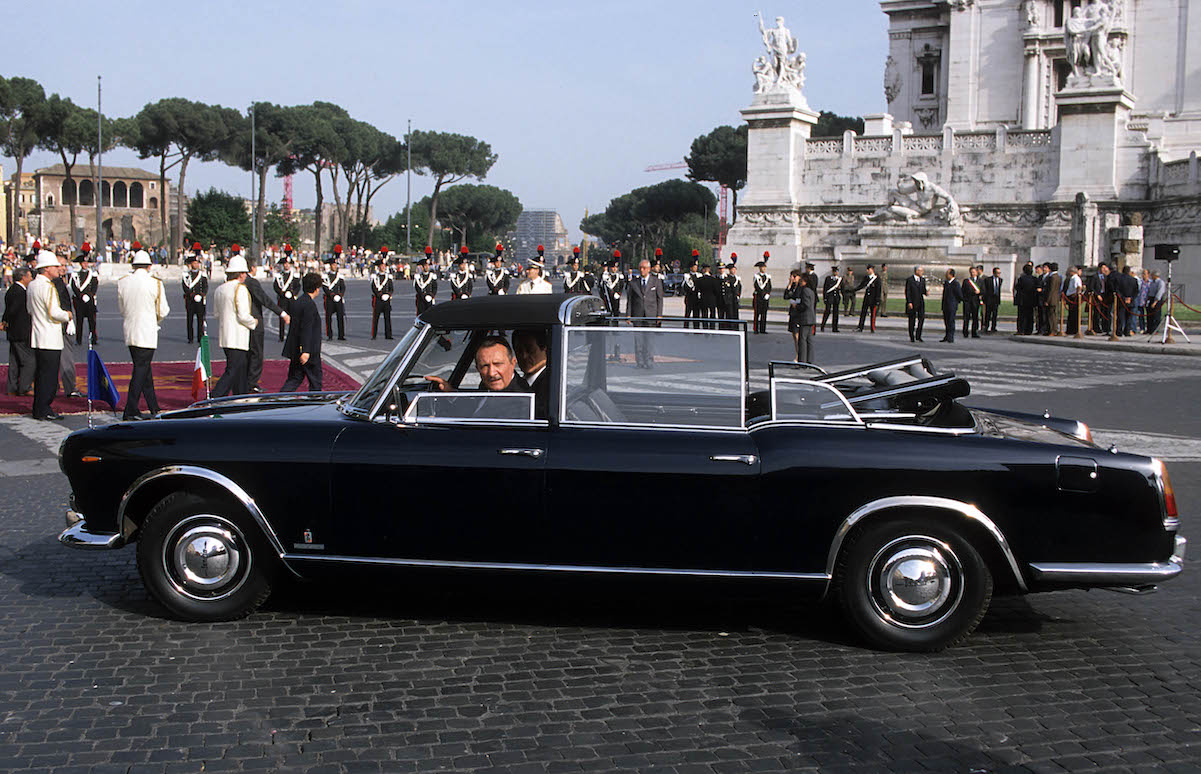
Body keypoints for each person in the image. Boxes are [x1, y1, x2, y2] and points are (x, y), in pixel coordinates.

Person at [117, 248, 168, 420]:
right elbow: (162, 310)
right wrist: (155, 321)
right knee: (140, 369)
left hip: (130, 329)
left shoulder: (123, 282)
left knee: (144, 368)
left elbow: (122, 308)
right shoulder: (155, 283)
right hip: (147, 330)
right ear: (149, 266)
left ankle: (153, 406)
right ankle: (130, 409)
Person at [27, 251, 73, 420]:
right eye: (55, 266)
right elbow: (54, 312)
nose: (58, 268)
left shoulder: (32, 285)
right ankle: (44, 409)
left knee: (40, 375)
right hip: (50, 337)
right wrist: (67, 315)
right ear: (46, 269)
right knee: (50, 377)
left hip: (38, 335)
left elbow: (30, 310)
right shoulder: (48, 287)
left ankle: (38, 408)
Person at [241, 253, 290, 393]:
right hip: (255, 321)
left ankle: (246, 381)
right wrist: (282, 313)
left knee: (247, 352)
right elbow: (265, 300)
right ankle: (252, 383)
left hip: (243, 322)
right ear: (251, 267)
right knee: (256, 353)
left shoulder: (240, 281)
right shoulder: (252, 282)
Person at [211, 254, 257, 397]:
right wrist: (253, 322)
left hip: (225, 336)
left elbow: (217, 314)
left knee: (240, 368)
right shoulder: (240, 289)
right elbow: (243, 315)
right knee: (233, 369)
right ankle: (216, 395)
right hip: (238, 336)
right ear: (241, 274)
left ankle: (241, 396)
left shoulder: (220, 289)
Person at [426, 336, 529, 393]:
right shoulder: (488, 385)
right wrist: (451, 394)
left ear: (513, 363)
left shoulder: (521, 397)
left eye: (498, 364)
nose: (491, 373)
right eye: (485, 366)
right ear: (477, 368)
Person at [280, 272, 324, 392]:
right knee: (315, 381)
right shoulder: (309, 305)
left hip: (295, 348)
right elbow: (307, 328)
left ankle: (279, 400)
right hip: (308, 351)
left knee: (294, 379)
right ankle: (314, 405)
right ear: (316, 289)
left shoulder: (298, 301)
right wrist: (305, 350)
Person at [2, 266, 34, 396]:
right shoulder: (20, 292)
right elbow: (13, 310)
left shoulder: (12, 290)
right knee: (29, 360)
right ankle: (24, 387)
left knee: (14, 361)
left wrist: (5, 321)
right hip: (21, 331)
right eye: (30, 276)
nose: (31, 278)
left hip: (13, 331)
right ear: (23, 277)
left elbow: (8, 310)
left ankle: (12, 387)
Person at [626, 258, 664, 368]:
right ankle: (640, 361)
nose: (642, 270)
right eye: (640, 268)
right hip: (637, 316)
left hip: (651, 315)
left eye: (644, 268)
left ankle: (649, 361)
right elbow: (630, 300)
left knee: (649, 340)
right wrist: (628, 315)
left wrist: (659, 315)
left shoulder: (656, 281)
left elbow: (659, 299)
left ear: (649, 269)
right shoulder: (633, 283)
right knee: (638, 341)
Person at [53, 255, 80, 397]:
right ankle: (70, 388)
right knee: (66, 358)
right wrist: (68, 318)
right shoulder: (57, 282)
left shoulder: (60, 281)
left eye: (64, 265)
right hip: (62, 323)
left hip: (62, 322)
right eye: (59, 265)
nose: (63, 268)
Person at [512, 328, 549, 419]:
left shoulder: (549, 385)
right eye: (519, 351)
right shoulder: (519, 381)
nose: (524, 356)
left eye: (530, 350)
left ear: (544, 349)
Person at [70, 243, 99, 345]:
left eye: (87, 263)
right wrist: (81, 295)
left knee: (92, 321)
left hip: (90, 299)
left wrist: (90, 294)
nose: (85, 265)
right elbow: (74, 286)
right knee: (79, 321)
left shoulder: (93, 274)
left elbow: (95, 285)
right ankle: (78, 340)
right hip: (79, 300)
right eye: (83, 263)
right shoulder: (75, 274)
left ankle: (94, 339)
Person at [785, 270, 816, 363]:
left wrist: (796, 306)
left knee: (802, 340)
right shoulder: (810, 291)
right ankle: (809, 360)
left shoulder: (805, 291)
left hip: (805, 318)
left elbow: (805, 305)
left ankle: (802, 360)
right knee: (809, 340)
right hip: (810, 318)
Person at [273, 248, 301, 342]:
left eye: (288, 264)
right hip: (282, 299)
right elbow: (276, 286)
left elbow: (298, 286)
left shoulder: (295, 275)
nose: (287, 265)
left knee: (293, 318)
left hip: (292, 299)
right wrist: (281, 292)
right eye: (285, 264)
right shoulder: (279, 276)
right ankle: (281, 336)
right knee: (282, 318)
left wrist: (293, 293)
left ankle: (292, 336)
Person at [182, 245, 208, 343]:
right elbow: (185, 287)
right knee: (190, 320)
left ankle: (200, 337)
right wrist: (192, 295)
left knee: (200, 319)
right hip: (190, 300)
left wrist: (202, 294)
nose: (196, 264)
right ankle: (190, 338)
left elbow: (205, 286)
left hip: (200, 300)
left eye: (197, 263)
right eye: (195, 263)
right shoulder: (186, 275)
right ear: (191, 263)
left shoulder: (203, 275)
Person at [322, 250, 346, 340]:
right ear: (330, 265)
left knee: (340, 317)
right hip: (329, 299)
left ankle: (341, 335)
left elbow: (343, 287)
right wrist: (332, 295)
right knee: (328, 318)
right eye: (333, 265)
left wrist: (340, 295)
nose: (334, 266)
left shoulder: (340, 276)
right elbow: (325, 288)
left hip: (338, 298)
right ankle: (330, 335)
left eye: (336, 265)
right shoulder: (325, 276)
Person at [370, 259, 394, 340]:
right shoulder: (375, 277)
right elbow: (373, 287)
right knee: (375, 318)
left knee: (387, 318)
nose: (383, 267)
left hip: (386, 300)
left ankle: (388, 335)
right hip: (378, 300)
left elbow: (391, 288)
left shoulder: (388, 277)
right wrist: (380, 295)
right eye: (382, 266)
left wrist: (388, 295)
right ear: (379, 267)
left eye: (384, 266)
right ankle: (374, 335)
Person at [905, 265, 928, 342]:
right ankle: (912, 336)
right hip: (913, 302)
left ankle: (919, 335)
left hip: (920, 302)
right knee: (912, 320)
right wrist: (909, 302)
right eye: (921, 271)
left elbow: (923, 290)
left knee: (921, 319)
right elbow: (907, 292)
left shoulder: (922, 280)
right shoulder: (910, 280)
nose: (922, 272)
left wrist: (926, 292)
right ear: (917, 271)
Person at [856, 264, 881, 332]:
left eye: (868, 269)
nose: (867, 271)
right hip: (867, 298)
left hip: (873, 299)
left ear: (872, 269)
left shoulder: (877, 278)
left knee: (873, 314)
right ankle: (860, 327)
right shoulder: (866, 278)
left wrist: (878, 300)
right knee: (863, 313)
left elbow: (878, 290)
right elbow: (861, 285)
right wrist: (853, 290)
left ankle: (872, 328)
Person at [940, 268, 962, 343]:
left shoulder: (956, 283)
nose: (945, 275)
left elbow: (959, 294)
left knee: (951, 321)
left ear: (951, 275)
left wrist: (956, 302)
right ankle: (947, 335)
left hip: (952, 305)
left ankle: (950, 337)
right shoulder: (946, 283)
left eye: (947, 273)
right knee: (946, 321)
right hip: (945, 305)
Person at [1014, 263, 1038, 335]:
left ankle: (1021, 330)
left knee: (1022, 316)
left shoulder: (1021, 279)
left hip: (1023, 300)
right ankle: (1029, 330)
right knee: (1030, 316)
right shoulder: (1035, 279)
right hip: (1031, 300)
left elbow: (1017, 287)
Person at [696, 263, 721, 329]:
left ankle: (705, 327)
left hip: (703, 299)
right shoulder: (713, 279)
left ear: (703, 270)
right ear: (709, 270)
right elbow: (717, 290)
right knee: (712, 314)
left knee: (704, 314)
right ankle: (712, 327)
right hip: (712, 299)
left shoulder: (699, 280)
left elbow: (697, 290)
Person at [961, 266, 983, 339]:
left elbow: (984, 291)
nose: (972, 273)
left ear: (977, 272)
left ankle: (974, 332)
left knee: (975, 318)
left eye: (974, 272)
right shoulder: (966, 281)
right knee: (966, 318)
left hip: (976, 302)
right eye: (971, 272)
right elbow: (963, 291)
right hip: (967, 302)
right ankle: (965, 332)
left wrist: (979, 292)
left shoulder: (980, 281)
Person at [752, 260, 771, 334]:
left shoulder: (768, 277)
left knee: (764, 313)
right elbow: (757, 286)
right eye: (762, 267)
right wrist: (763, 294)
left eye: (764, 267)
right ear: (759, 268)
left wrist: (768, 294)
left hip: (765, 298)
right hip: (758, 297)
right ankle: (756, 329)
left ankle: (763, 329)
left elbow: (769, 286)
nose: (764, 269)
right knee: (757, 314)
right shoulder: (756, 276)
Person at [681, 254, 700, 328]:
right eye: (694, 267)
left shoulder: (699, 275)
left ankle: (696, 328)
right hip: (689, 297)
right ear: (691, 267)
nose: (695, 268)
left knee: (696, 314)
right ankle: (686, 328)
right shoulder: (686, 276)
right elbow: (684, 286)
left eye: (696, 267)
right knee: (687, 314)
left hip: (697, 298)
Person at [821, 265, 842, 333]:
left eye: (837, 271)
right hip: (829, 297)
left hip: (836, 298)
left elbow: (842, 289)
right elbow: (825, 288)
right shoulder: (828, 278)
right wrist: (825, 298)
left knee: (836, 313)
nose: (836, 273)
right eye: (834, 271)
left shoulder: (839, 279)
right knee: (827, 311)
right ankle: (823, 326)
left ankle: (835, 327)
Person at [1064, 265, 1083, 336]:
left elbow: (1078, 287)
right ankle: (1070, 329)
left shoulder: (1076, 278)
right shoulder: (1072, 278)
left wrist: (1076, 295)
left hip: (1074, 297)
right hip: (1071, 297)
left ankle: (1074, 329)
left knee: (1074, 314)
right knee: (1071, 314)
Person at [982, 267, 1003, 333]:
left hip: (996, 299)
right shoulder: (988, 280)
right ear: (994, 273)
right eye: (997, 273)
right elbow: (985, 290)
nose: (998, 274)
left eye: (999, 273)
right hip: (989, 299)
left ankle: (993, 327)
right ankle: (986, 326)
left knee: (995, 314)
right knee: (988, 314)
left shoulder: (1000, 280)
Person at [1145, 270, 1166, 334]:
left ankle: (1155, 329)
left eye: (1152, 275)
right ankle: (1149, 329)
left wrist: (1155, 302)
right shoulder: (1152, 282)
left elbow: (1159, 292)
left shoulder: (1160, 282)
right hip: (1151, 298)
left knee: (1156, 315)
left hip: (1157, 300)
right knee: (1149, 314)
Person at [1045, 263, 1063, 335]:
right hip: (1056, 298)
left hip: (1051, 298)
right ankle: (1053, 329)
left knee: (1051, 315)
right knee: (1054, 315)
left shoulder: (1052, 277)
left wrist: (1047, 300)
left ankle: (1052, 330)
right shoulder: (1058, 276)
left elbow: (1051, 290)